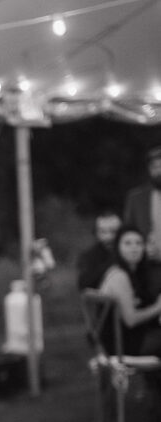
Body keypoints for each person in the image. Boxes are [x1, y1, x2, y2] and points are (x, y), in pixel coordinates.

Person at [98, 225, 161, 357]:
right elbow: (130, 320)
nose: (134, 248)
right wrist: (157, 307)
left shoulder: (134, 273)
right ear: (118, 247)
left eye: (139, 243)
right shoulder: (119, 276)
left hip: (131, 338)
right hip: (122, 345)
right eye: (127, 243)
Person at [123, 145, 161, 297]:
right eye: (155, 167)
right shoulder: (136, 198)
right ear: (149, 169)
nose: (159, 171)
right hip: (146, 269)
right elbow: (127, 232)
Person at [76, 210, 121, 291]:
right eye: (103, 231)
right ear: (96, 232)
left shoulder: (131, 251)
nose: (108, 237)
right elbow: (84, 284)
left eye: (113, 231)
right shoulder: (89, 256)